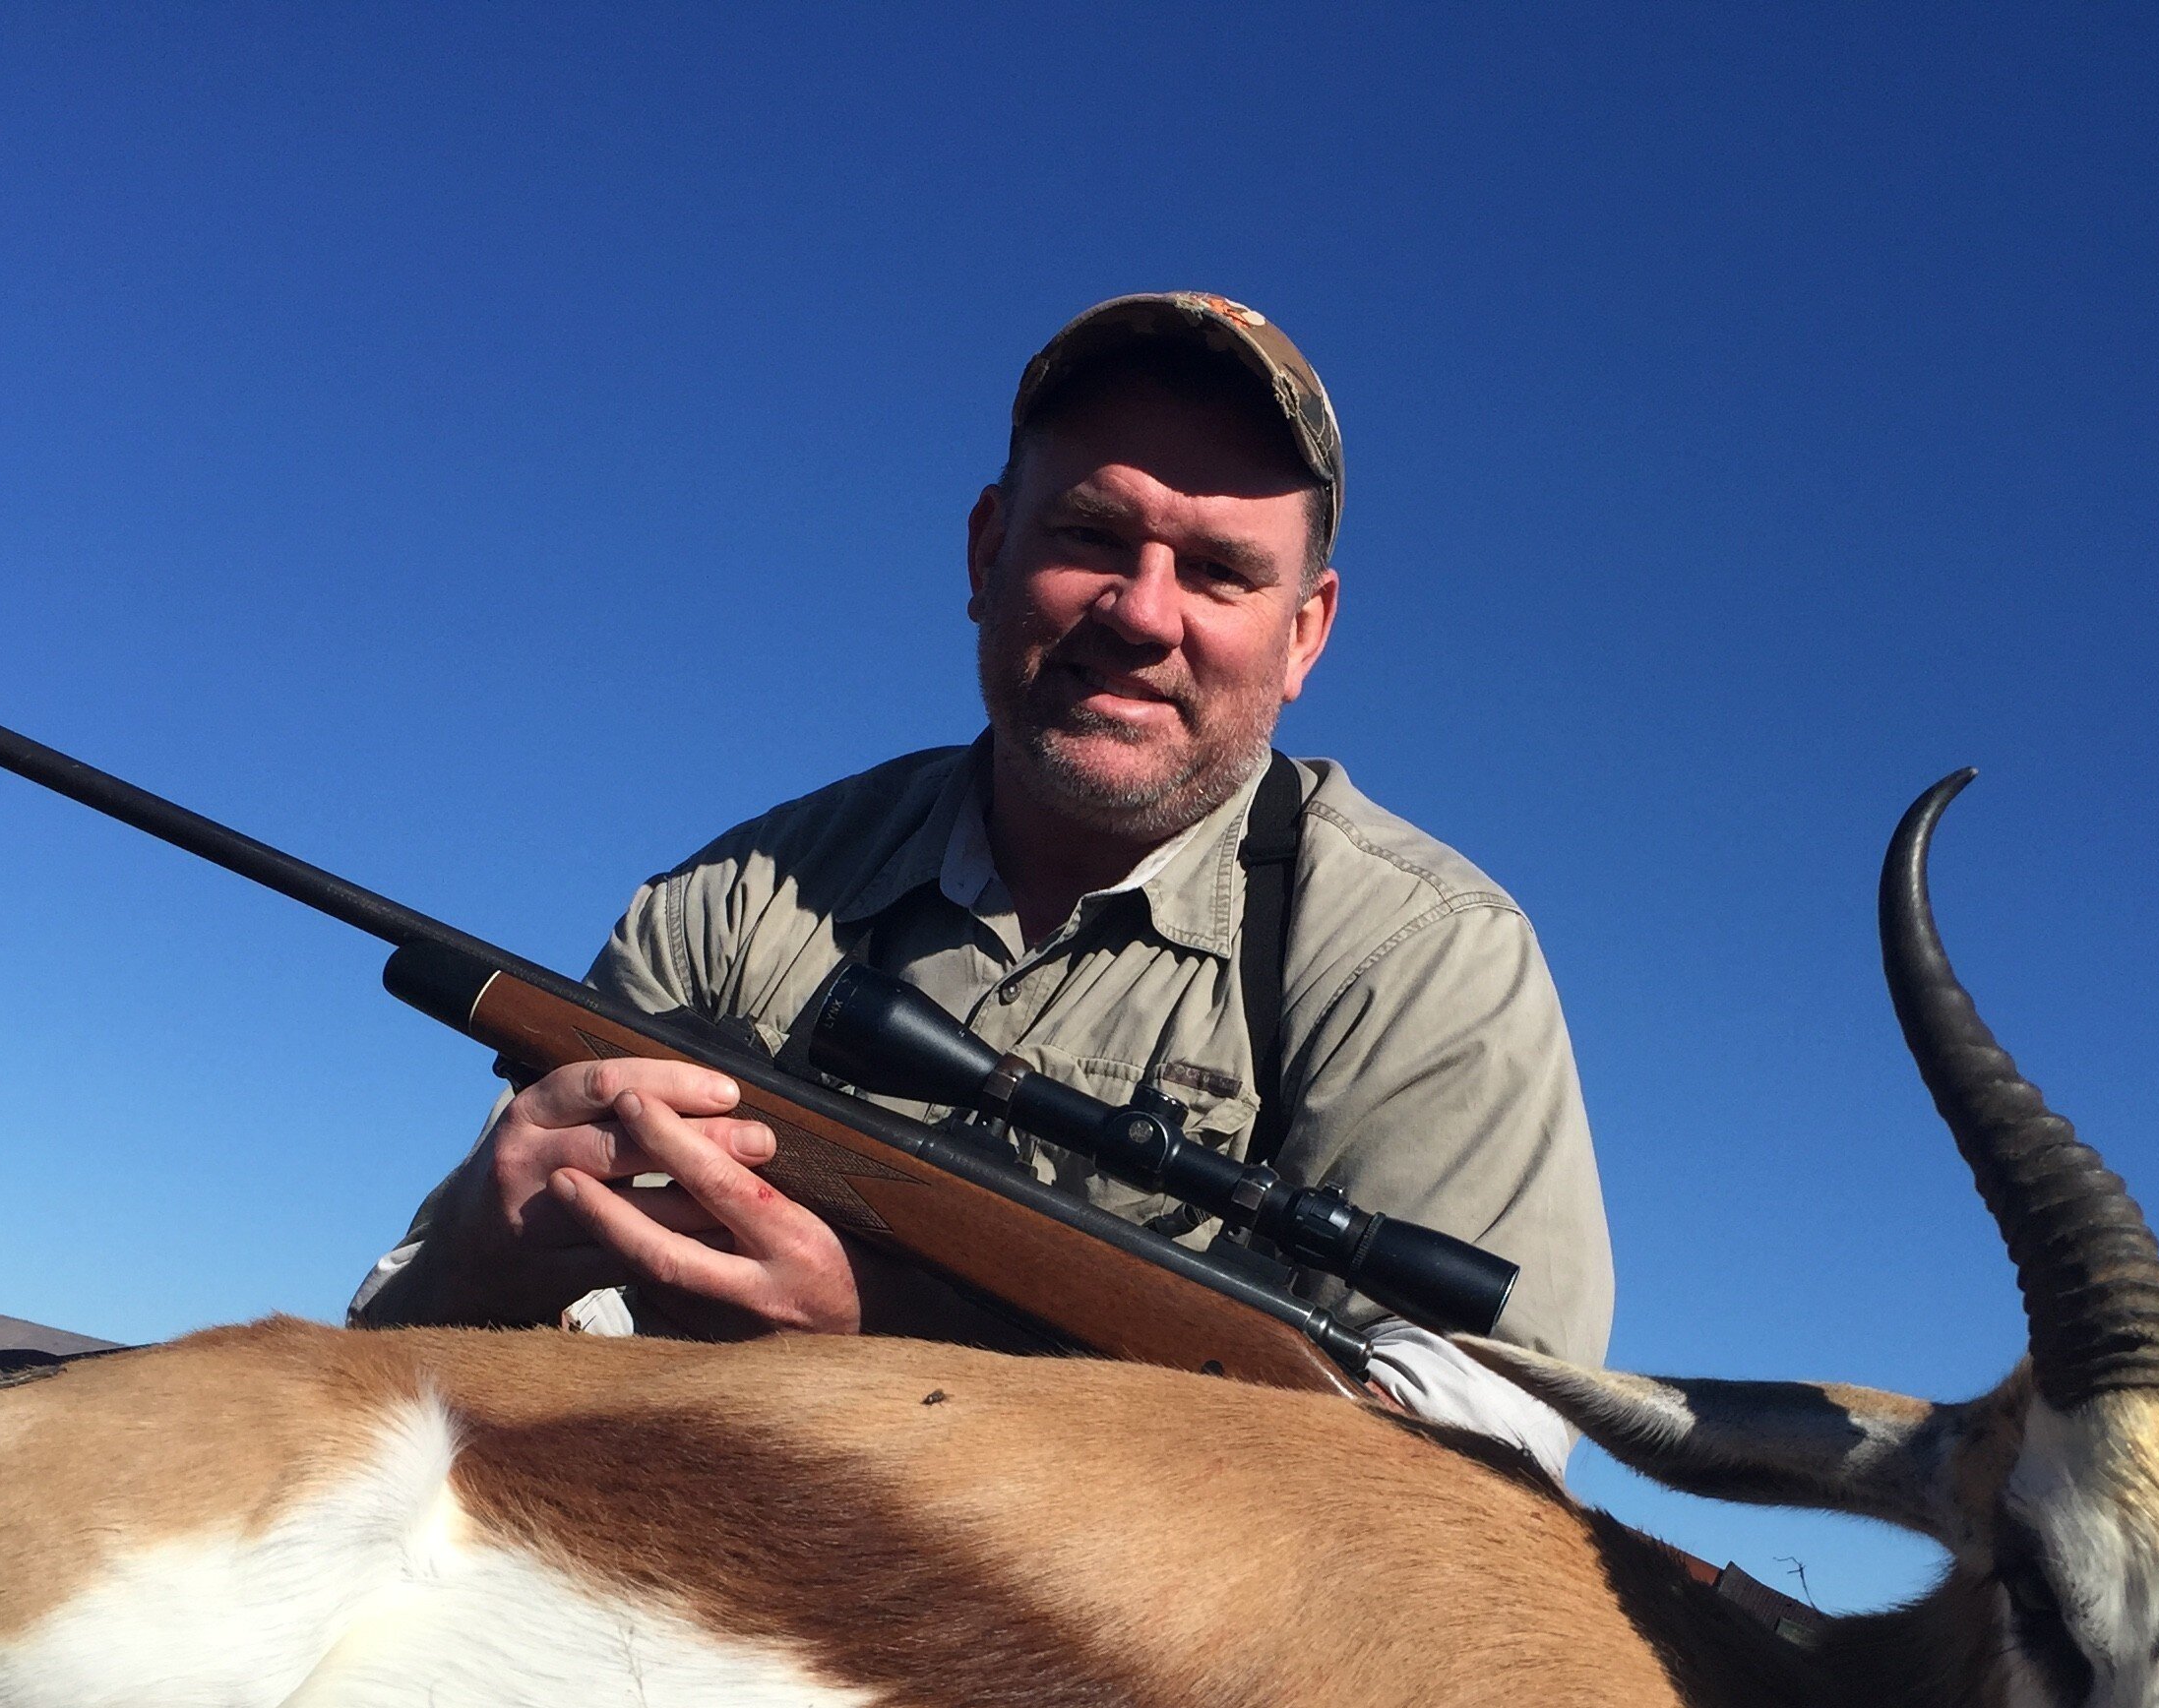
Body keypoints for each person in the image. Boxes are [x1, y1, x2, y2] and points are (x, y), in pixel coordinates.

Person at [350, 293, 1610, 1467]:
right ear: (987, 550)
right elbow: (401, 1375)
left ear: (1305, 634)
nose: (1142, 611)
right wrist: (470, 1259)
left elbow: (1471, 1491)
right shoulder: (743, 900)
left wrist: (893, 1355)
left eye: (1221, 569)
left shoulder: (1423, 957)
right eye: (1090, 534)